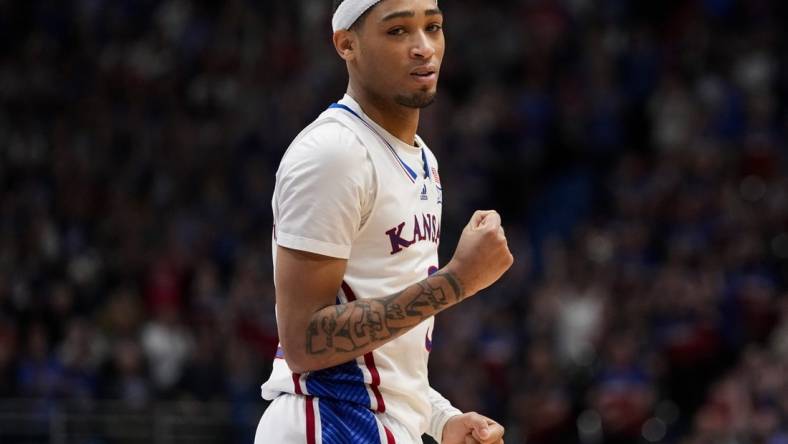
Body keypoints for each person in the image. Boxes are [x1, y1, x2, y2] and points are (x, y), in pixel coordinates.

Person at [254, 0, 513, 442]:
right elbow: (302, 343)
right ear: (346, 44)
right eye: (398, 32)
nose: (423, 48)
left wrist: (438, 418)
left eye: (433, 27)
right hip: (329, 421)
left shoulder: (422, 158)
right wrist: (457, 281)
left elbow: (385, 352)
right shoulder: (335, 153)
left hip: (376, 422)